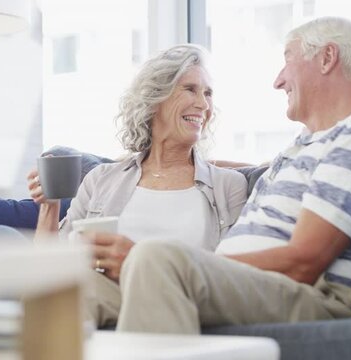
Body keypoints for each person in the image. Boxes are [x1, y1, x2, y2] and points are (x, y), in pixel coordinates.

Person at [89, 17, 351, 333]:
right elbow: (240, 169)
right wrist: (142, 161)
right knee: (81, 286)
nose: (278, 81)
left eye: (287, 61)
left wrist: (199, 265)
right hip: (250, 287)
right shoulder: (307, 145)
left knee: (154, 258)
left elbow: (304, 262)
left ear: (327, 58)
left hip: (313, 297)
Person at [27, 45, 247, 299]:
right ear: (155, 98)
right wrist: (49, 206)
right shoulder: (101, 179)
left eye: (208, 93)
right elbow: (49, 269)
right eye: (190, 89)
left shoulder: (228, 186)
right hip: (101, 296)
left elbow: (234, 274)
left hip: (175, 299)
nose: (203, 104)